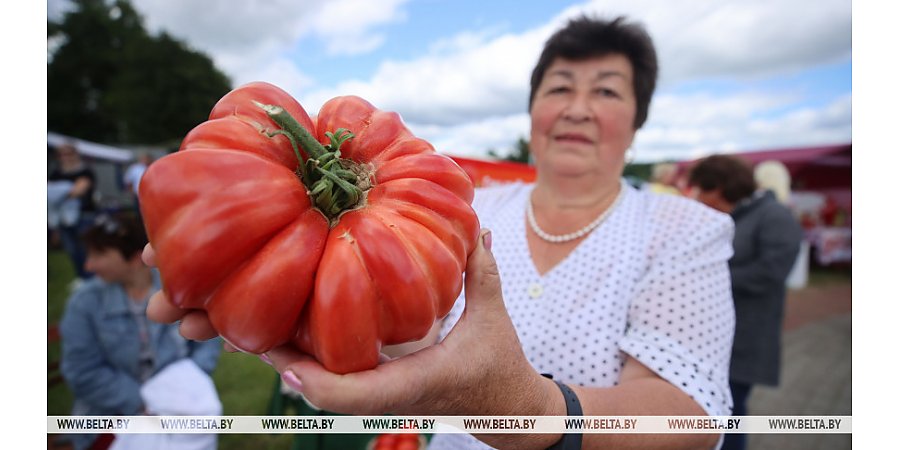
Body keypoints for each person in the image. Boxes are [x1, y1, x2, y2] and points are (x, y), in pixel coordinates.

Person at [146, 15, 737, 449]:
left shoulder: (685, 227)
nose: (578, 108)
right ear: (533, 110)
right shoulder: (473, 208)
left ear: (637, 121)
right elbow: (409, 328)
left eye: (606, 91)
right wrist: (295, 301)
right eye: (559, 88)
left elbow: (685, 413)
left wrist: (525, 410)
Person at [59, 212, 223, 450]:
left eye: (99, 254)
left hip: (180, 404)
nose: (88, 265)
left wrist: (190, 385)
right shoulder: (84, 303)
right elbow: (82, 371)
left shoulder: (178, 287)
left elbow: (206, 342)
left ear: (136, 258)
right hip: (112, 415)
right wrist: (144, 403)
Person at [687, 155, 803, 450]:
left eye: (703, 189)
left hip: (746, 338)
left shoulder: (774, 215)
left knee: (731, 416)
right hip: (715, 338)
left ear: (721, 187)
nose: (698, 197)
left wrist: (710, 276)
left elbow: (772, 271)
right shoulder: (736, 216)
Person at [48, 142, 98, 281]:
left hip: (84, 216)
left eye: (69, 153)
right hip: (62, 217)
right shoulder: (56, 173)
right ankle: (81, 276)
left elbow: (78, 190)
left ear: (76, 154)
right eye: (62, 154)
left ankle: (92, 278)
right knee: (71, 249)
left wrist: (56, 193)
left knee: (86, 249)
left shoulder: (85, 171)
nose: (65, 157)